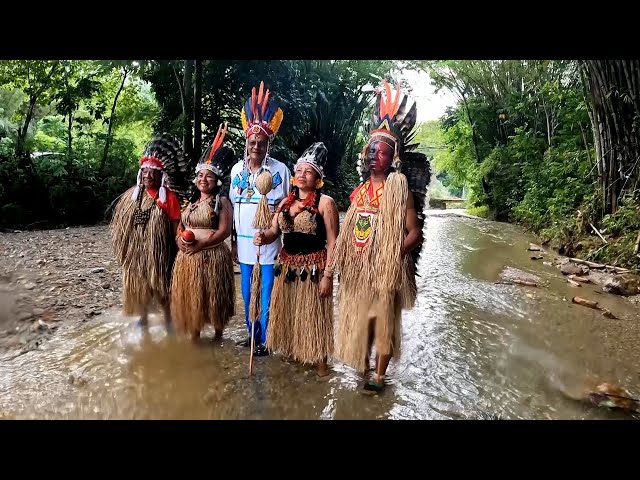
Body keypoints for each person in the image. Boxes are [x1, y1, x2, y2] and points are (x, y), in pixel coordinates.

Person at [327, 81, 431, 394]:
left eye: (382, 151)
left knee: (383, 320)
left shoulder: (400, 189)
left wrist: (393, 253)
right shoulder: (357, 192)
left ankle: (380, 374)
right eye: (371, 149)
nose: (375, 155)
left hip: (385, 270)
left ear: (393, 157)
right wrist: (342, 263)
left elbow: (414, 232)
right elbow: (348, 231)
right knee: (361, 320)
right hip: (359, 268)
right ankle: (362, 363)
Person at [253, 142, 339, 379]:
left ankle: (321, 367)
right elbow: (273, 232)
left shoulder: (325, 203)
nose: (302, 175)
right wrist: (263, 237)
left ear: (318, 178)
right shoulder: (284, 203)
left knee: (315, 318)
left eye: (308, 171)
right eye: (299, 170)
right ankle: (295, 360)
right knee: (290, 315)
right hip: (287, 268)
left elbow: (334, 243)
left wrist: (328, 276)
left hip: (313, 270)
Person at [230, 81, 291, 357]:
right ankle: (251, 334)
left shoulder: (281, 171)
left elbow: (288, 206)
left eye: (261, 142)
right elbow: (233, 209)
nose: (256, 146)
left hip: (267, 245)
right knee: (246, 292)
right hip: (243, 245)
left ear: (269, 143)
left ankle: (266, 340)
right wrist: (232, 242)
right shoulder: (235, 171)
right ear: (247, 142)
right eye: (252, 142)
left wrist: (275, 225)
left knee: (266, 292)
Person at [110, 134, 186, 329]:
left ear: (161, 176)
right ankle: (143, 319)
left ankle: (169, 321)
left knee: (162, 289)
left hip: (160, 254)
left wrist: (176, 249)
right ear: (140, 174)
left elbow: (176, 225)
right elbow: (122, 229)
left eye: (152, 173)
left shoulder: (168, 198)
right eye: (144, 172)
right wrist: (125, 251)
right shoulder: (130, 197)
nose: (148, 176)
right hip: (137, 255)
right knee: (139, 287)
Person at [170, 124, 236, 342]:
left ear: (216, 180)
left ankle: (218, 335)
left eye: (208, 176)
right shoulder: (190, 202)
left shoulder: (222, 201)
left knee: (214, 298)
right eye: (200, 176)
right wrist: (180, 238)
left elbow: (224, 230)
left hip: (212, 256)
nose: (203, 179)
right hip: (188, 258)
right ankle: (194, 334)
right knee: (192, 297)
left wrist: (201, 245)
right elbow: (180, 224)